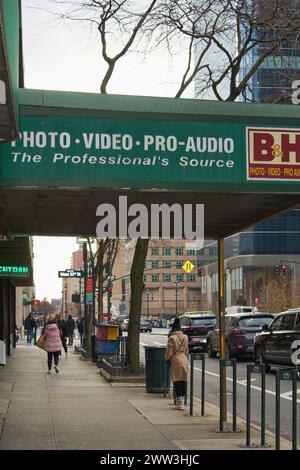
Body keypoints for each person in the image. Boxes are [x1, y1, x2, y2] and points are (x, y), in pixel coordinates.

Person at [165, 317, 189, 410]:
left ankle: (179, 403)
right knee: (183, 381)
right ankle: (182, 401)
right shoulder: (185, 337)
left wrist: (166, 359)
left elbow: (169, 351)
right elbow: (187, 351)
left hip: (176, 360)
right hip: (184, 359)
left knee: (177, 381)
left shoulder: (172, 338)